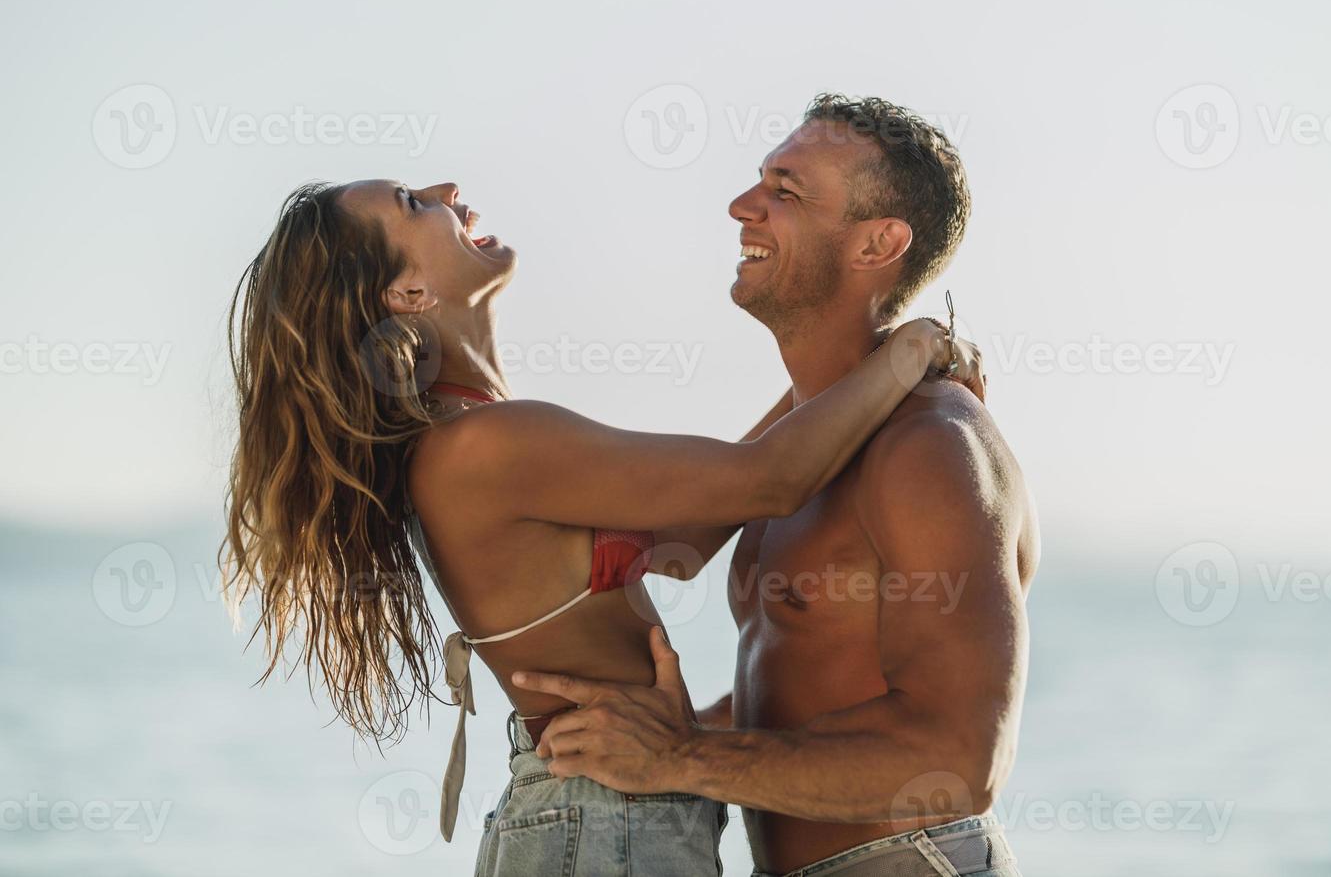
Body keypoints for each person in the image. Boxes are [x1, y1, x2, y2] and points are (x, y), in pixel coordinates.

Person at [220, 175, 986, 876]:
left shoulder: (479, 433)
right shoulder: (485, 445)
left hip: (605, 812)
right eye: (413, 205)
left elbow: (690, 540)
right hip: (600, 823)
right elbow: (773, 480)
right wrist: (914, 348)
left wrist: (864, 375)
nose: (445, 188)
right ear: (410, 291)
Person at [515, 95, 1038, 877]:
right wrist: (652, 739)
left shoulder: (928, 448)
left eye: (786, 193)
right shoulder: (806, 452)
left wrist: (681, 756)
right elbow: (801, 693)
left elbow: (959, 761)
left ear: (878, 243)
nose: (741, 206)